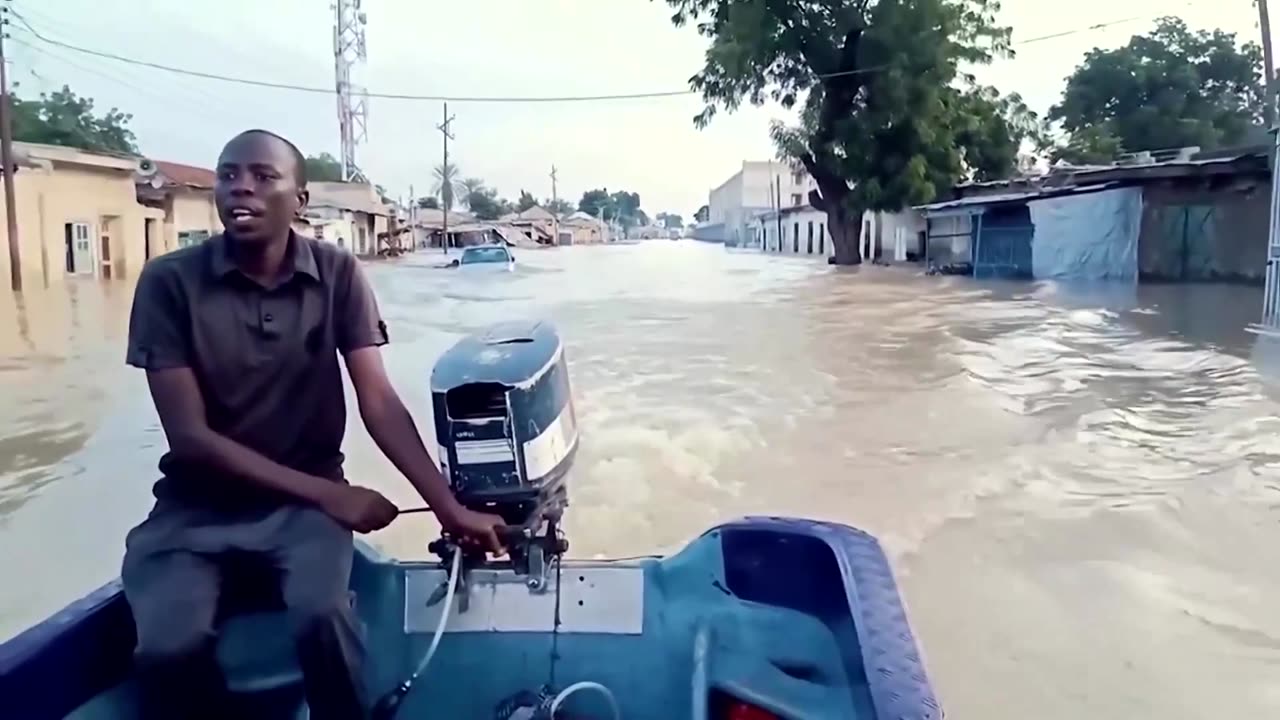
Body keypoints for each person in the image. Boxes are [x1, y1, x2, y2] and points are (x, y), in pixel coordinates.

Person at [122, 129, 506, 720]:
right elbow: (191, 439)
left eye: (262, 175)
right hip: (193, 512)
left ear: (299, 200)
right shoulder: (168, 282)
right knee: (170, 649)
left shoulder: (337, 273)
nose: (240, 187)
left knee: (321, 615)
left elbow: (377, 400)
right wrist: (335, 495)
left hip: (301, 514)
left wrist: (450, 508)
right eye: (228, 174)